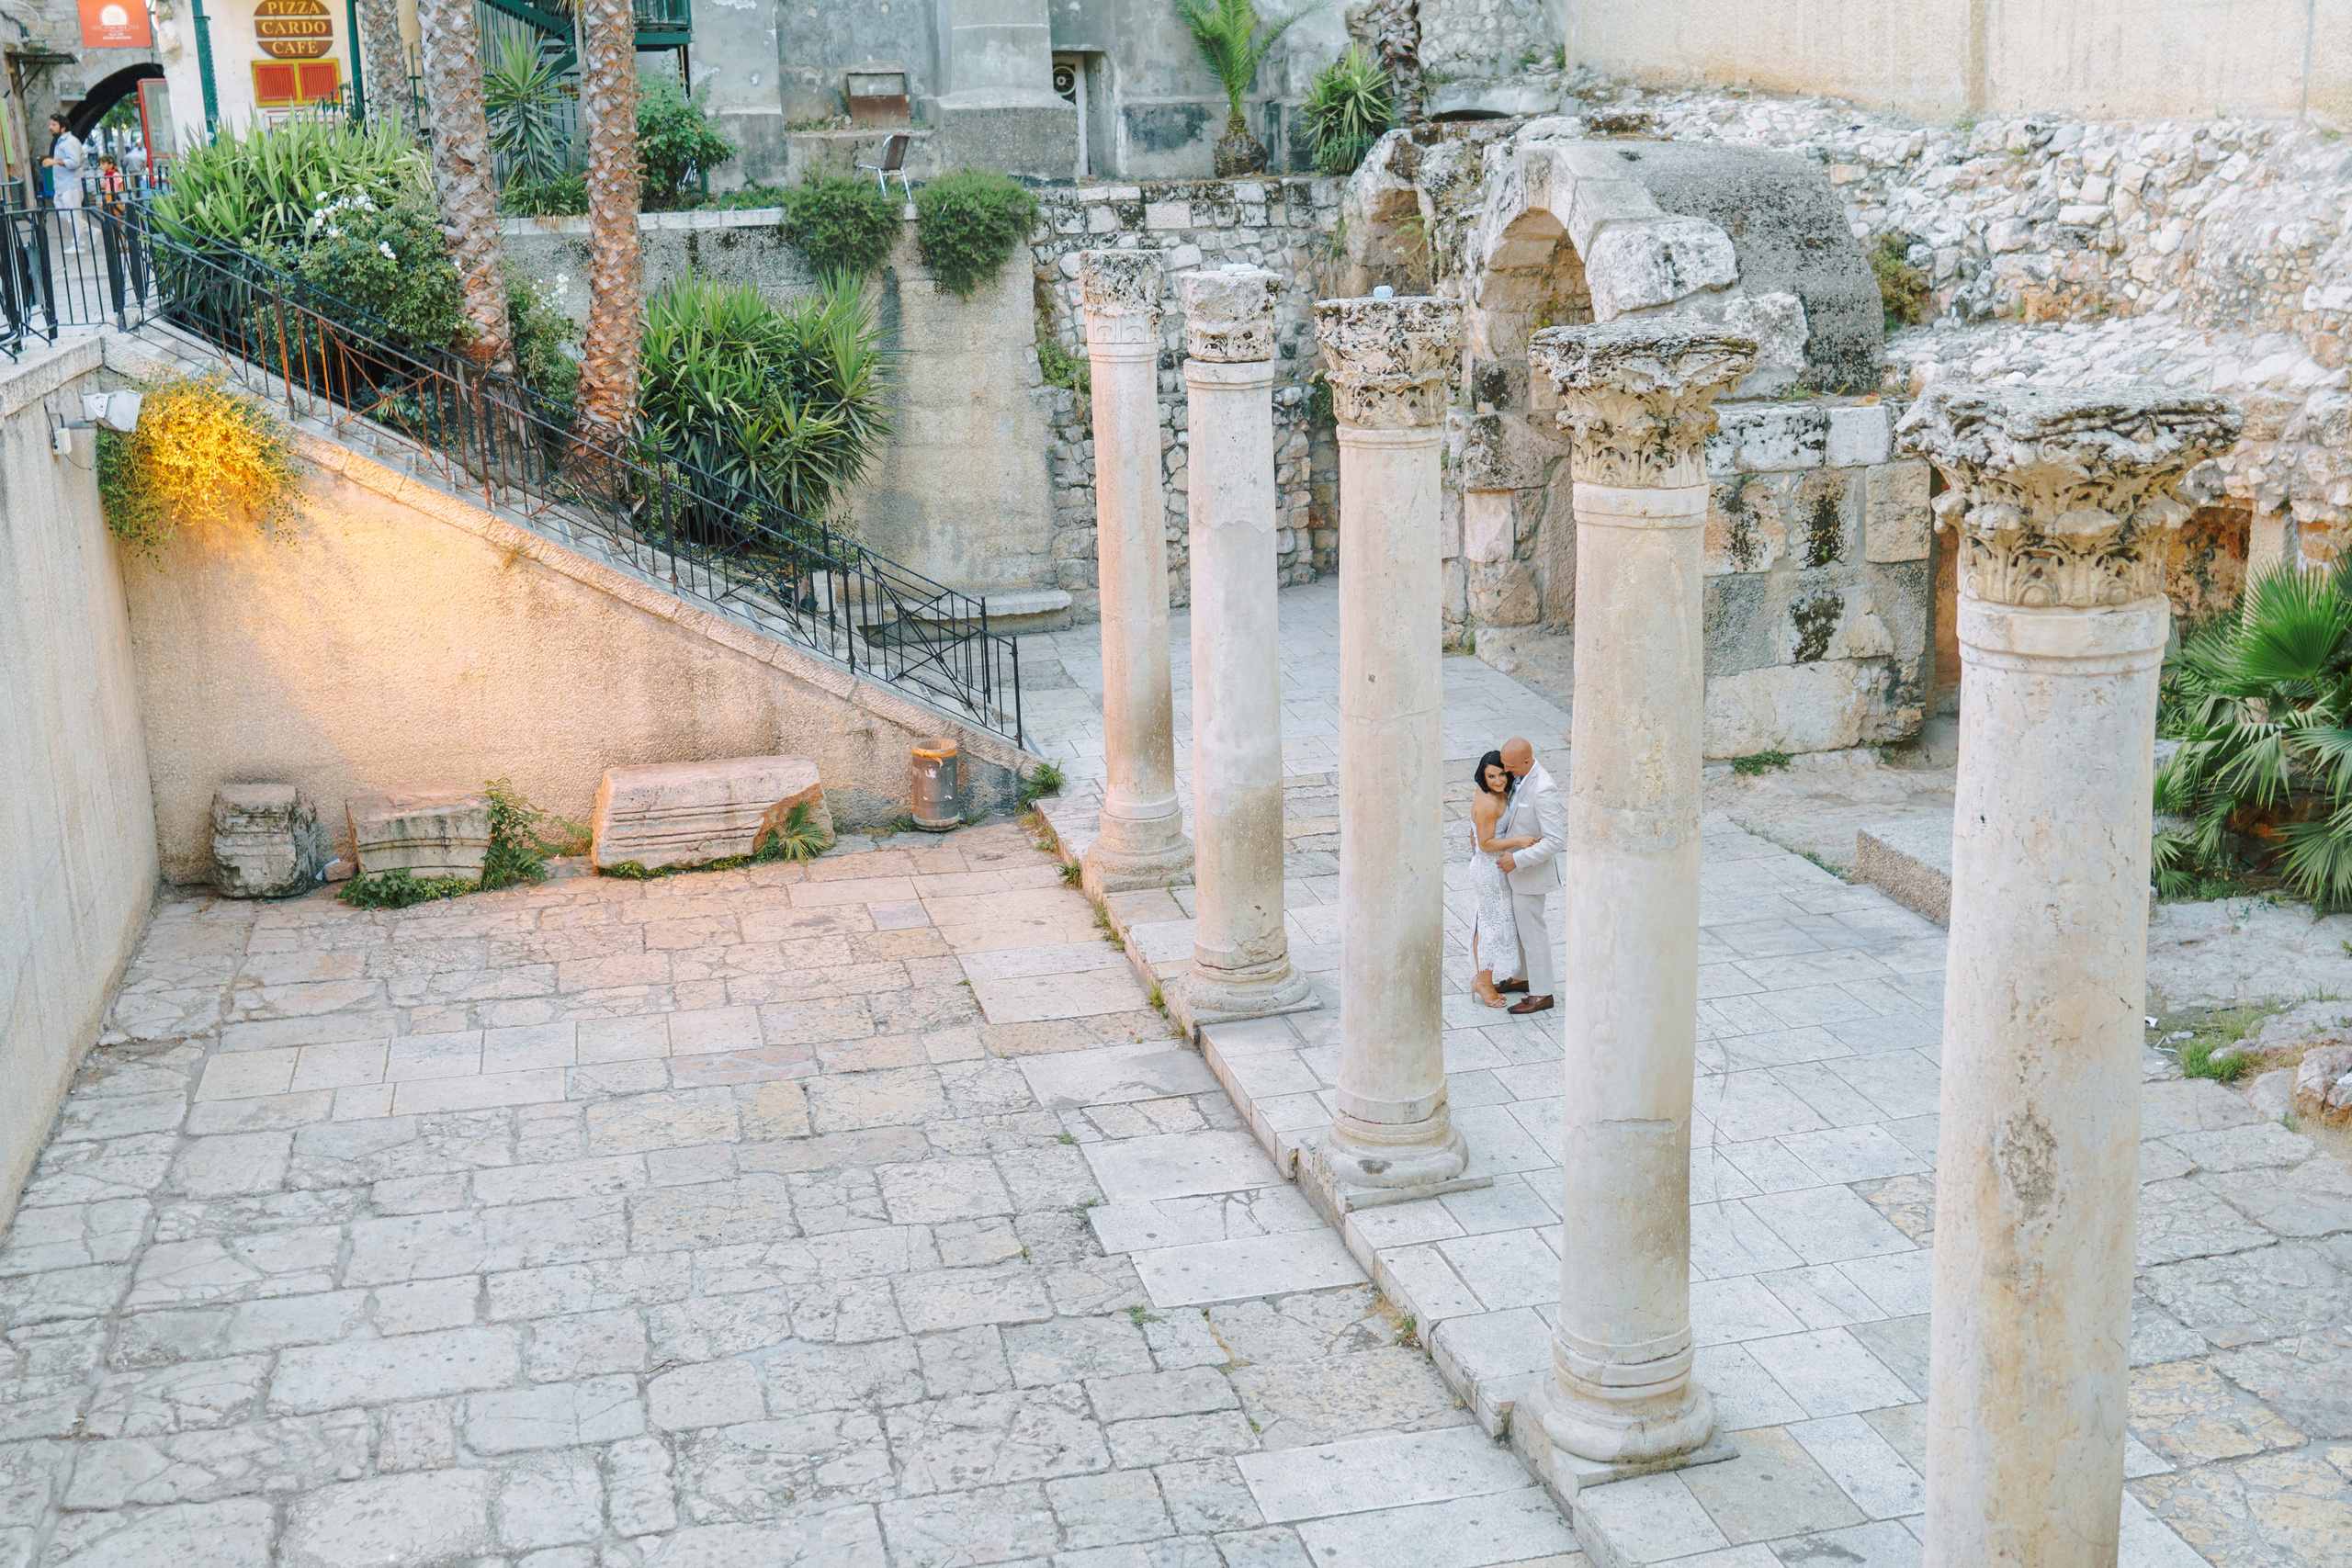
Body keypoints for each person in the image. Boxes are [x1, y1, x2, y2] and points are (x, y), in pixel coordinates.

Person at [1494, 736, 1565, 1015]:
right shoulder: (1521, 776)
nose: (1506, 772)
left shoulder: (1544, 788)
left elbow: (1555, 840)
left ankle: (1542, 993)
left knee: (1533, 934)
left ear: (1526, 761)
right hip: (1514, 872)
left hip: (1530, 873)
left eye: (1510, 767)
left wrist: (1518, 859)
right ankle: (1523, 977)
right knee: (1521, 931)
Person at [1467, 750, 1536, 1008]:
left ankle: (1484, 979)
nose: (1498, 781)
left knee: (1488, 921)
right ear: (1483, 777)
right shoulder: (1487, 802)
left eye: (1501, 775)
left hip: (1498, 868)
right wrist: (1519, 840)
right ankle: (1483, 982)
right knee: (1490, 926)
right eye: (1491, 776)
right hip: (1488, 870)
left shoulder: (1502, 790)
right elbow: (1485, 844)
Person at [42, 115, 84, 253]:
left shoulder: (70, 142)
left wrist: (54, 161)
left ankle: (80, 245)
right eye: (51, 124)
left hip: (70, 184)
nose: (50, 127)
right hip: (62, 185)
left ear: (63, 127)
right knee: (64, 214)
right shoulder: (61, 142)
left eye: (54, 125)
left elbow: (74, 162)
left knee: (72, 215)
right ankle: (91, 231)